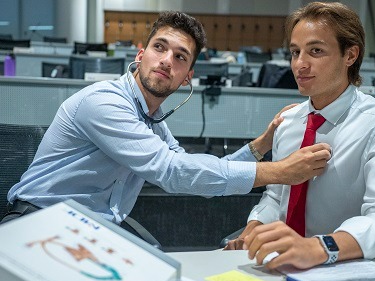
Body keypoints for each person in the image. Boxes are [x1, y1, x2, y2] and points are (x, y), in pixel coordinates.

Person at [1, 12, 331, 232]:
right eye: (160, 47)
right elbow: (170, 171)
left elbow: (192, 169)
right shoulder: (104, 102)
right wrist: (281, 171)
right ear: (141, 54)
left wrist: (261, 145)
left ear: (188, 76)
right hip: (39, 222)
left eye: (180, 57)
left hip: (94, 231)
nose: (166, 61)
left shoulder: (153, 122)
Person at [225, 2, 375, 270]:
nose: (300, 64)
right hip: (282, 264)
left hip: (343, 269)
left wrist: (318, 246)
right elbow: (276, 198)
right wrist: (254, 229)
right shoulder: (289, 123)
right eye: (295, 52)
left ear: (350, 55)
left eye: (316, 51)